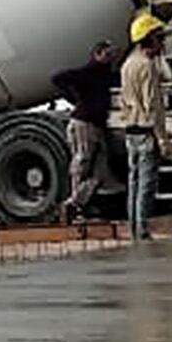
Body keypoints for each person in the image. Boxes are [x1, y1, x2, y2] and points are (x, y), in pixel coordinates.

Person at [51, 40, 119, 218]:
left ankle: (75, 202)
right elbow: (58, 78)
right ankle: (75, 203)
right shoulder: (87, 73)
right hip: (84, 122)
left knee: (100, 170)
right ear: (97, 54)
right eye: (106, 54)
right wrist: (75, 99)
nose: (110, 58)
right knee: (83, 161)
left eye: (111, 54)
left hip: (96, 124)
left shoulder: (106, 75)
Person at [118, 10, 168, 242]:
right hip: (147, 133)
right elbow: (153, 106)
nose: (162, 42)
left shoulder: (127, 65)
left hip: (131, 132)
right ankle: (142, 232)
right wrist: (163, 138)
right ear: (149, 38)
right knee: (146, 187)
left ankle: (134, 229)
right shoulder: (147, 67)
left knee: (134, 183)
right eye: (159, 37)